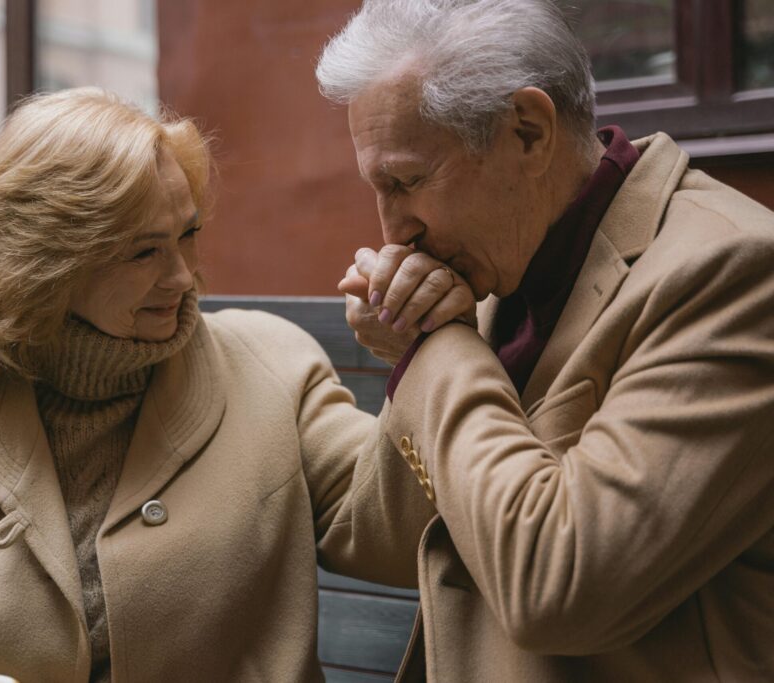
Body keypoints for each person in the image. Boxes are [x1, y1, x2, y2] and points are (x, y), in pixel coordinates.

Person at [0, 87, 442, 682]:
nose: (183, 276)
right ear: (43, 268)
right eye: (142, 250)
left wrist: (423, 362)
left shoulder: (272, 364)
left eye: (187, 235)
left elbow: (406, 537)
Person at [317, 0, 774, 681]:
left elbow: (559, 590)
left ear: (528, 132)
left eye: (407, 181)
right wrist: (426, 351)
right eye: (378, 188)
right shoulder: (502, 263)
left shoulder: (733, 272)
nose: (393, 232)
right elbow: (387, 545)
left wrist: (439, 349)